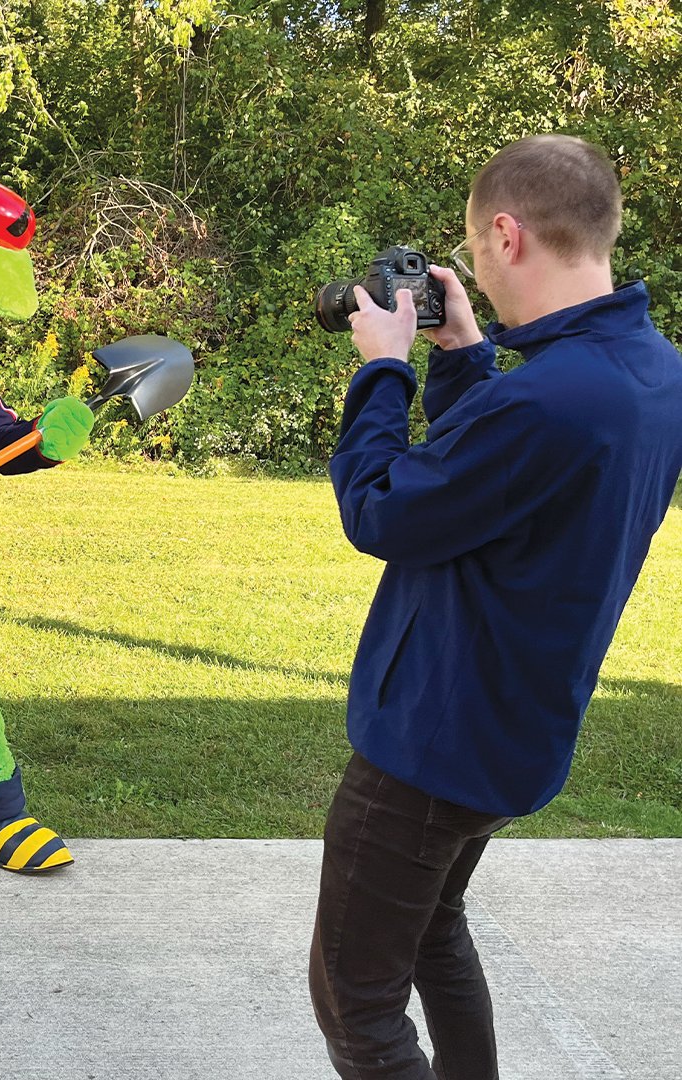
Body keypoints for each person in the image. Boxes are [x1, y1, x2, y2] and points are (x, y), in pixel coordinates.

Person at [308, 133, 682, 1078]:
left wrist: (383, 368)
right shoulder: (652, 372)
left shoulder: (553, 399)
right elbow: (503, 482)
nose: (475, 264)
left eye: (475, 249)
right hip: (518, 723)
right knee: (435, 932)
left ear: (506, 235)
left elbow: (384, 509)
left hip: (433, 741)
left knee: (356, 1002)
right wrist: (468, 354)